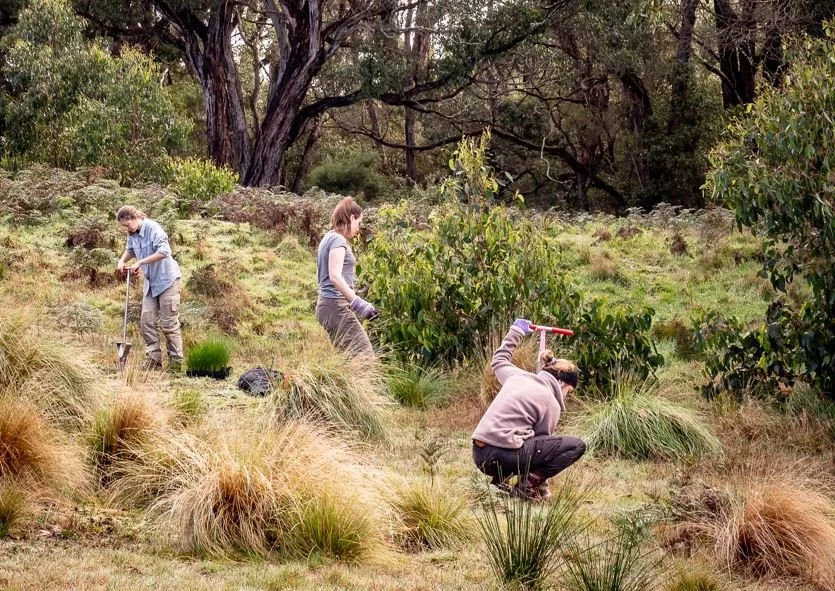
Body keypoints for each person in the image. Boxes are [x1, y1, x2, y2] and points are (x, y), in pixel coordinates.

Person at [472, 318, 586, 501]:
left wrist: (516, 331)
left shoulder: (517, 375)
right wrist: (543, 488)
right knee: (577, 445)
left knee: (520, 439)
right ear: (563, 383)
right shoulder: (550, 402)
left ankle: (499, 483)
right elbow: (543, 449)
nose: (566, 396)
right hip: (501, 457)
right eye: (569, 392)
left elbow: (499, 360)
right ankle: (525, 488)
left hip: (479, 455)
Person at [115, 206, 183, 371]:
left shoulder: (153, 228)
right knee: (147, 321)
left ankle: (175, 363)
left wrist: (140, 262)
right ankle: (153, 360)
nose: (126, 229)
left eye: (127, 225)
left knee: (168, 323)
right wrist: (122, 261)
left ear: (135, 218)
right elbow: (130, 250)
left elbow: (165, 251)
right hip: (151, 283)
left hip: (167, 280)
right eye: (123, 226)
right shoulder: (132, 234)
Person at [315, 197, 379, 357]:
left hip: (327, 306)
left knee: (348, 360)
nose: (358, 229)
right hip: (335, 306)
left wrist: (355, 290)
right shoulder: (338, 240)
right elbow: (334, 276)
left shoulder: (328, 237)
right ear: (351, 218)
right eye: (359, 223)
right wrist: (357, 303)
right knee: (365, 357)